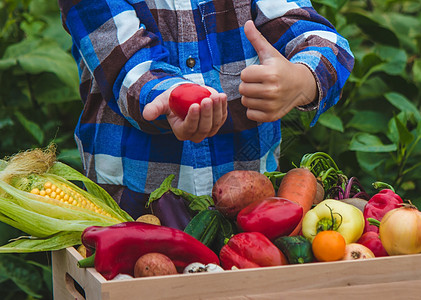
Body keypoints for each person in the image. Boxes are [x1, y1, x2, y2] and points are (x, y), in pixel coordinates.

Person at [57, 0, 354, 219]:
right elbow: (128, 67)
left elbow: (311, 32)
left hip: (251, 212)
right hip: (133, 208)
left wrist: (301, 79)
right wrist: (172, 97)